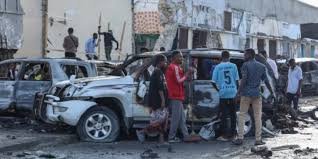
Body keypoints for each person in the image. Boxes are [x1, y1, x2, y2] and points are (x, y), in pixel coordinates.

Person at [233, 49, 274, 146]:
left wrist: (238, 93)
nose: (244, 56)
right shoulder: (262, 66)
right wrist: (272, 92)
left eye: (245, 54)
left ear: (250, 55)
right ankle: (258, 139)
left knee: (242, 115)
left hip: (246, 94)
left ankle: (240, 138)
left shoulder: (245, 65)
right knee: (257, 117)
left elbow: (244, 80)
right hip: (257, 94)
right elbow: (266, 81)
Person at [136, 54, 169, 143]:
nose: (166, 63)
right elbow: (160, 88)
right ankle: (142, 131)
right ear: (160, 62)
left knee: (163, 120)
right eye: (165, 61)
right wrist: (162, 101)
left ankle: (161, 140)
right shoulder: (157, 72)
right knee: (160, 120)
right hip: (158, 101)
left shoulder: (159, 72)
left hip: (158, 101)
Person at [212, 51, 239, 141]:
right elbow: (236, 80)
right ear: (229, 57)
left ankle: (225, 135)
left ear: (221, 57)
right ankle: (233, 134)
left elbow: (213, 82)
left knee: (224, 115)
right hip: (233, 92)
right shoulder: (234, 66)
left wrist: (219, 90)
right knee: (233, 115)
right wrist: (237, 92)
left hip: (223, 93)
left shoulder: (218, 67)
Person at [165, 50, 191, 143]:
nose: (181, 58)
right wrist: (186, 75)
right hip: (175, 96)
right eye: (180, 57)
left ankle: (186, 135)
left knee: (181, 118)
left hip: (177, 95)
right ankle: (171, 137)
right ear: (174, 58)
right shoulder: (174, 67)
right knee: (176, 118)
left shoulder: (175, 67)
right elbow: (179, 80)